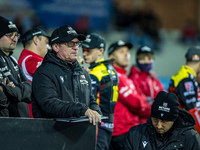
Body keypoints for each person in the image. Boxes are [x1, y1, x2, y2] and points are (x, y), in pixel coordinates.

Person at [31, 25, 101, 125]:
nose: (76, 47)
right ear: (56, 47)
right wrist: (81, 109)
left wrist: (96, 111)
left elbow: (90, 99)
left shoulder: (83, 73)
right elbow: (49, 104)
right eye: (70, 43)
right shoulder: (43, 72)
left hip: (82, 135)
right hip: (52, 135)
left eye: (77, 43)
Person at [108, 40, 151, 150]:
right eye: (121, 52)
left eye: (127, 51)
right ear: (110, 57)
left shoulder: (124, 76)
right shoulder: (114, 76)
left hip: (127, 131)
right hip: (120, 133)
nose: (127, 54)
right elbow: (136, 103)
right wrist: (151, 105)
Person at [123, 91, 200, 150]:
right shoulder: (135, 134)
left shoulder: (190, 138)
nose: (158, 125)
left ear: (174, 119)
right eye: (155, 119)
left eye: (164, 121)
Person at [82, 33, 119, 150]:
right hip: (108, 124)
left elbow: (85, 101)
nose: (84, 54)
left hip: (96, 125)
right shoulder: (112, 70)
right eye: (83, 50)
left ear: (100, 51)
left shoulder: (94, 74)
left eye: (88, 51)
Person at [0, 16, 31, 117]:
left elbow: (29, 90)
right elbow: (2, 98)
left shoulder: (13, 59)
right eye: (9, 35)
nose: (15, 39)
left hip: (19, 122)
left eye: (16, 35)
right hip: (5, 121)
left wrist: (8, 89)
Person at [18, 28, 50, 118]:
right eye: (46, 42)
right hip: (34, 116)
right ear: (36, 40)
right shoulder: (29, 59)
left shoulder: (27, 58)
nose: (48, 47)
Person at [168, 46, 200, 134]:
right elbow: (192, 110)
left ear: (186, 60)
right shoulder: (187, 79)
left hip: (176, 125)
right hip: (180, 128)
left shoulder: (181, 75)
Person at [128, 45, 164, 123]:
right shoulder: (134, 78)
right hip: (140, 124)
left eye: (149, 59)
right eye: (142, 59)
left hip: (155, 122)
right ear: (137, 60)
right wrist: (159, 112)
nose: (146, 62)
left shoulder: (154, 78)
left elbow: (163, 98)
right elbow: (139, 106)